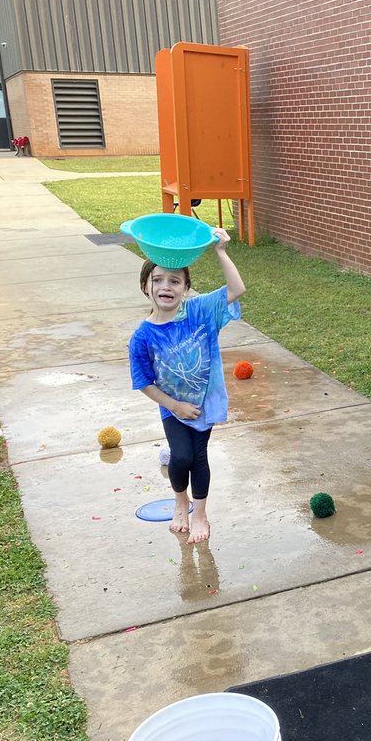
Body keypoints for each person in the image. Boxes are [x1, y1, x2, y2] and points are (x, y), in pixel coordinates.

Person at [128, 228, 244, 544]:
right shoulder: (142, 337)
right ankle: (181, 503)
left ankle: (201, 514)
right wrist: (174, 405)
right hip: (172, 406)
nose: (166, 286)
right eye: (158, 280)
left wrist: (220, 251)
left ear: (186, 288)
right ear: (146, 286)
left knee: (198, 457)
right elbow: (143, 383)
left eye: (175, 281)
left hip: (204, 402)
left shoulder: (199, 312)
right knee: (180, 458)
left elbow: (236, 289)